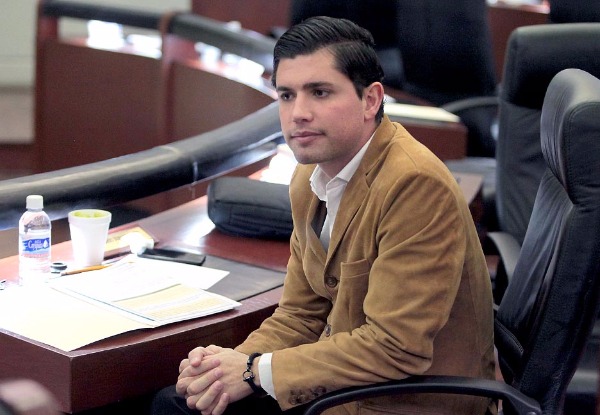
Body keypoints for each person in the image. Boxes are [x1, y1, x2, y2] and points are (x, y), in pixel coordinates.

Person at [152, 15, 495, 415]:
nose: (298, 112)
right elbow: (301, 313)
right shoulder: (309, 176)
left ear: (370, 100)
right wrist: (228, 367)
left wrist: (252, 372)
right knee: (180, 402)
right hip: (344, 386)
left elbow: (395, 347)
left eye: (319, 92)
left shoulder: (414, 184)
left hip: (405, 403)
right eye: (286, 95)